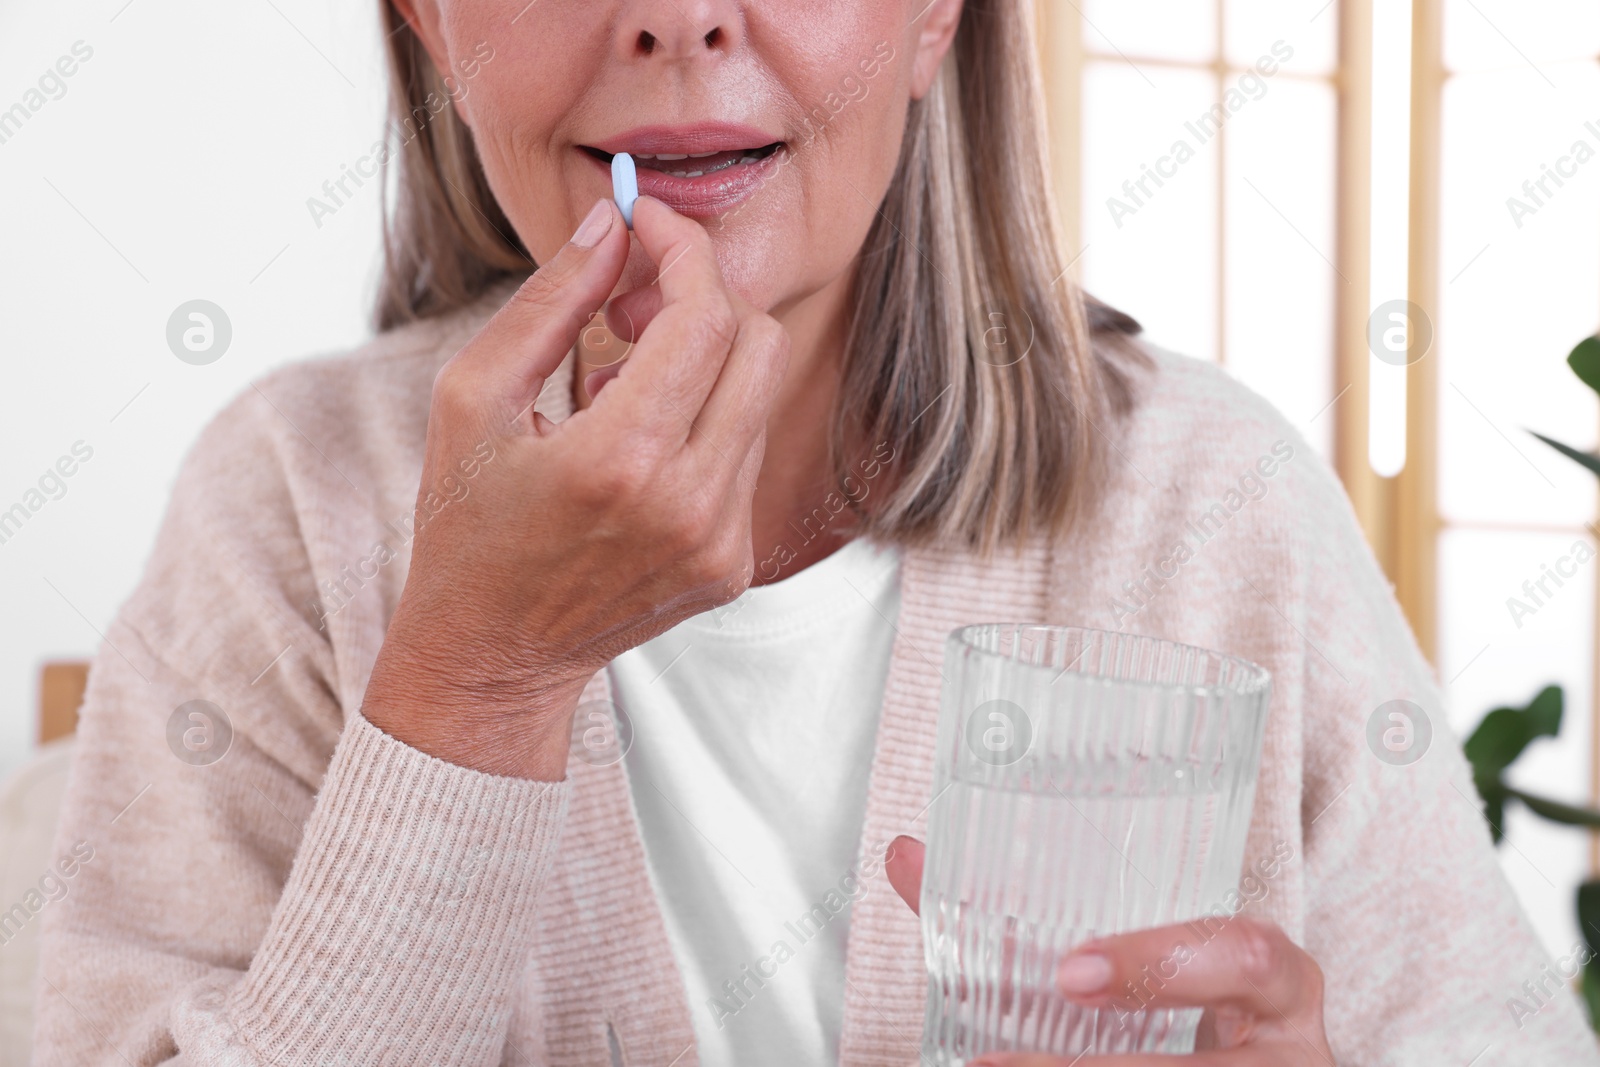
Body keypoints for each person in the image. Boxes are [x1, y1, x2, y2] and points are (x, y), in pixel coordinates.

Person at [32, 0, 1597, 1064]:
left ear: (934, 17)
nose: (681, 16)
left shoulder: (1214, 502)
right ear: (427, 22)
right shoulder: (291, 503)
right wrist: (477, 682)